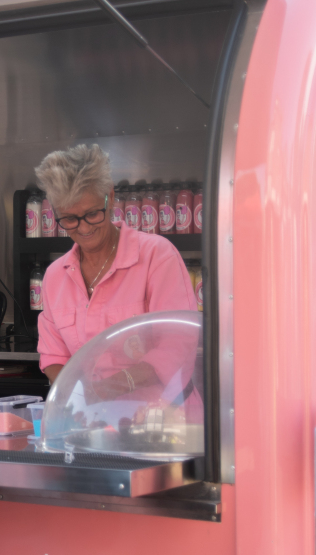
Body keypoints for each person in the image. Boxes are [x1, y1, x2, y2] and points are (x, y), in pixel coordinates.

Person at [34, 144, 197, 384]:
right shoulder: (54, 276)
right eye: (69, 219)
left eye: (92, 214)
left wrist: (116, 386)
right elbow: (53, 355)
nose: (84, 228)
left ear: (109, 197)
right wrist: (76, 395)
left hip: (159, 407)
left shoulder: (157, 256)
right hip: (88, 407)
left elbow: (178, 344)